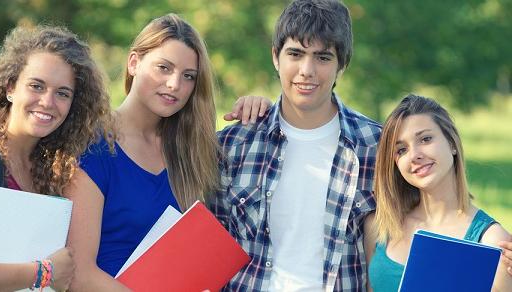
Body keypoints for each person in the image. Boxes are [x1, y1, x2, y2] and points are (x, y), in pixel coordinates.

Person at [65, 13, 269, 291]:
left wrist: (261, 107)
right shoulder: (91, 145)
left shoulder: (190, 151)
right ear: (134, 63)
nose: (175, 85)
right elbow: (78, 274)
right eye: (164, 67)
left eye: (188, 77)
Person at [209, 0, 382, 291]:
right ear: (276, 57)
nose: (307, 70)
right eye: (295, 54)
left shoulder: (374, 146)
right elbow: (210, 252)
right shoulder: (234, 144)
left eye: (323, 58)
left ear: (342, 64)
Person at [0, 25, 114, 291]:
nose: (48, 102)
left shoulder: (48, 168)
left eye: (63, 93)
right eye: (36, 86)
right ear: (11, 87)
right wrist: (44, 272)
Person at [364, 94, 512, 291]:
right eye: (401, 150)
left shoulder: (493, 243)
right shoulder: (379, 226)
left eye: (425, 139)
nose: (415, 155)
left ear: (452, 143)